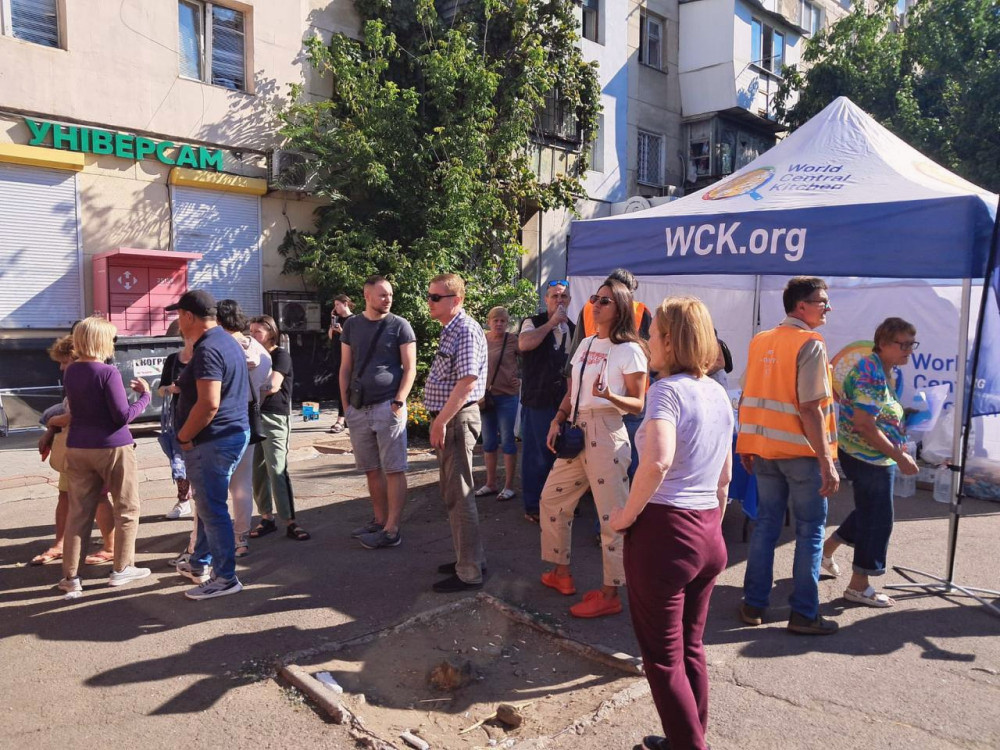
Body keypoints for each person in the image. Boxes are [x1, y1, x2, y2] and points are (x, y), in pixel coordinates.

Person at [610, 297, 733, 750]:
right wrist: (712, 528)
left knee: (663, 659)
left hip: (666, 532)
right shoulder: (718, 392)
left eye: (652, 333)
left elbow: (657, 461)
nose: (646, 341)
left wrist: (626, 516)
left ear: (670, 339)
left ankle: (689, 745)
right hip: (706, 530)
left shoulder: (666, 392)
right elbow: (724, 477)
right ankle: (688, 736)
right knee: (690, 647)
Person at [737, 276, 840, 635]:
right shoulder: (810, 343)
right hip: (801, 455)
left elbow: (748, 395)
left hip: (765, 451)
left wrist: (746, 444)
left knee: (766, 525)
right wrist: (827, 462)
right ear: (801, 306)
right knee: (810, 531)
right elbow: (810, 408)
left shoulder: (761, 340)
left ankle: (753, 605)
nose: (827, 308)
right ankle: (804, 614)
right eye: (822, 302)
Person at [540, 279, 648, 618]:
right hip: (576, 427)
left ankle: (610, 593)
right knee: (552, 499)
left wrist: (610, 396)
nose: (596, 305)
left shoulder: (630, 350)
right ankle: (561, 572)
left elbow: (639, 403)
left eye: (604, 301)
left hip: (607, 429)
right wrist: (558, 418)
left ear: (620, 308)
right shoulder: (586, 342)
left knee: (611, 516)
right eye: (594, 298)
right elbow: (573, 391)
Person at [822, 317, 920, 607]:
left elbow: (876, 413)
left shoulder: (882, 369)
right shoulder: (871, 373)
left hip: (871, 455)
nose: (909, 351)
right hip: (867, 456)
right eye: (904, 345)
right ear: (884, 343)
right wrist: (899, 455)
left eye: (912, 344)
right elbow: (864, 424)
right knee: (877, 519)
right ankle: (858, 585)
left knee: (870, 511)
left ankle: (826, 550)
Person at [57, 316, 151, 595]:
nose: (113, 342)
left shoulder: (71, 371)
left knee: (79, 513)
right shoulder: (108, 372)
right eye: (111, 338)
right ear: (101, 340)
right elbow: (121, 417)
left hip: (78, 446)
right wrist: (145, 397)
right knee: (127, 508)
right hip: (112, 447)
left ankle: (71, 577)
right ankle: (122, 568)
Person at [168, 290, 250, 600]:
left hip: (213, 440)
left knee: (213, 510)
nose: (178, 322)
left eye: (179, 315)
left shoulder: (209, 349)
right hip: (228, 435)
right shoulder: (225, 341)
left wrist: (184, 436)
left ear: (189, 316)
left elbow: (209, 404)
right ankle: (199, 562)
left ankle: (225, 578)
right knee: (207, 505)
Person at [339, 275, 417, 549]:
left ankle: (392, 529)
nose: (388, 299)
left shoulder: (400, 325)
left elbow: (410, 368)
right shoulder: (352, 325)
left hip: (388, 406)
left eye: (390, 295)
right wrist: (346, 407)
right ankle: (379, 520)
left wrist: (399, 401)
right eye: (383, 294)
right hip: (358, 408)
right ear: (367, 295)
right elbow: (345, 367)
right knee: (371, 469)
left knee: (394, 469)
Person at [423, 273, 488, 592]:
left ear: (457, 300)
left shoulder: (464, 329)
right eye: (429, 296)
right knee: (454, 493)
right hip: (453, 419)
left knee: (460, 495)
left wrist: (441, 421)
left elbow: (467, 382)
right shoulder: (452, 328)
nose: (430, 302)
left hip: (456, 420)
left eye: (436, 297)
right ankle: (469, 558)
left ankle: (469, 570)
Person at [32, 335, 115, 567]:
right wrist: (51, 431)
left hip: (93, 447)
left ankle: (111, 547)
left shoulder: (99, 375)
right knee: (65, 494)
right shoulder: (74, 379)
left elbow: (78, 413)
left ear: (77, 357)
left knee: (99, 497)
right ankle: (60, 544)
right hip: (73, 447)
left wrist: (53, 421)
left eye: (64, 362)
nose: (61, 367)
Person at [566, 267, 652, 482]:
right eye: (598, 298)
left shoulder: (634, 321)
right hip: (600, 404)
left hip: (623, 399)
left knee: (618, 467)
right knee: (622, 465)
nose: (598, 304)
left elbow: (645, 355)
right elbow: (576, 356)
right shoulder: (638, 310)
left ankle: (622, 497)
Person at [216, 299, 275, 555]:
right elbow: (265, 387)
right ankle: (241, 538)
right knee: (242, 484)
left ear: (218, 321)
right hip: (248, 419)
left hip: (219, 420)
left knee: (212, 487)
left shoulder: (220, 348)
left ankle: (205, 542)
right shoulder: (261, 352)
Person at [249, 314, 311, 543]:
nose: (253, 336)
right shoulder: (253, 356)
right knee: (256, 471)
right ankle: (266, 517)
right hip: (253, 416)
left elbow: (273, 385)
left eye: (258, 331)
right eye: (250, 331)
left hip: (274, 416)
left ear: (271, 333)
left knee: (277, 469)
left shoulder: (280, 355)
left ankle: (290, 521)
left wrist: (251, 395)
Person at [518, 280, 575, 523]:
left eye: (563, 297)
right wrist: (551, 323)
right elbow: (524, 344)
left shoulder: (573, 328)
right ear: (546, 299)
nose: (559, 301)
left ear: (569, 301)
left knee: (563, 453)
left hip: (563, 401)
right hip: (538, 399)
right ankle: (533, 505)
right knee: (537, 454)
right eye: (554, 296)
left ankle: (559, 503)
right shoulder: (532, 322)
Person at [476, 306, 520, 502]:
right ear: (489, 322)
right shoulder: (482, 339)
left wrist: (520, 378)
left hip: (507, 396)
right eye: (496, 320)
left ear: (507, 323)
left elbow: (529, 358)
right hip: (486, 398)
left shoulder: (512, 340)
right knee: (488, 442)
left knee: (508, 440)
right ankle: (491, 483)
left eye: (503, 321)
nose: (499, 324)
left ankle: (509, 486)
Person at [159, 337, 194, 520]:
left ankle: (203, 503)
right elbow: (160, 390)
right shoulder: (173, 359)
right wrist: (171, 389)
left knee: (201, 462)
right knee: (179, 461)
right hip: (179, 418)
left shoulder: (205, 357)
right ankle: (183, 501)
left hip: (203, 417)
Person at [328, 294, 354, 434]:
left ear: (345, 304)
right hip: (336, 356)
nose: (336, 307)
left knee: (345, 388)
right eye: (335, 305)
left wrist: (341, 331)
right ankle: (346, 418)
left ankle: (341, 419)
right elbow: (330, 337)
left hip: (348, 358)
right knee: (340, 387)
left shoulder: (353, 320)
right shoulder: (337, 318)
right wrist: (333, 325)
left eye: (338, 304)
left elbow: (353, 340)